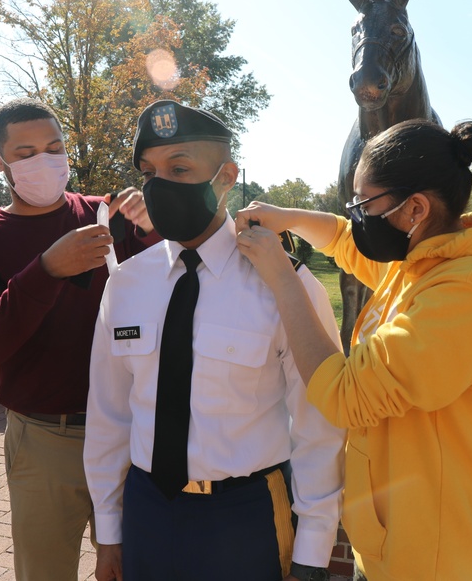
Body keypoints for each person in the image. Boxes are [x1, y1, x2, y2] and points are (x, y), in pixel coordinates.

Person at [236, 118, 472, 581]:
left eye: (364, 202)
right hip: (399, 539)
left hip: (435, 556)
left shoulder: (466, 293)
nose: (357, 214)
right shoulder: (425, 261)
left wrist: (282, 278)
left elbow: (346, 395)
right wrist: (288, 217)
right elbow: (348, 243)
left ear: (415, 209)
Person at [84, 100, 344, 581]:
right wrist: (109, 530)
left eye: (179, 168)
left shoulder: (283, 281)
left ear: (226, 176)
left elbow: (319, 423)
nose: (158, 184)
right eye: (148, 171)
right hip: (146, 510)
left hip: (243, 515)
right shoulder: (126, 283)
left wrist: (312, 549)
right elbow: (110, 416)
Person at [0, 97, 158, 580]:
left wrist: (154, 228)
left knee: (137, 568)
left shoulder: (108, 218)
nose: (44, 160)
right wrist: (45, 271)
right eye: (25, 153)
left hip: (133, 432)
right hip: (46, 439)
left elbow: (174, 284)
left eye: (55, 147)